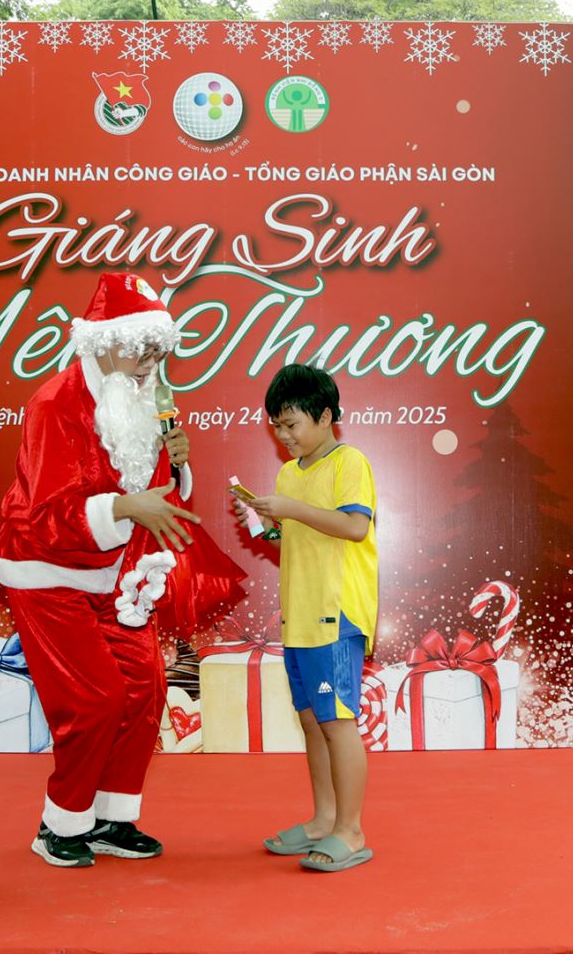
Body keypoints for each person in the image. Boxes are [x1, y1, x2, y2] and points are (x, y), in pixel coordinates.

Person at [0, 271, 239, 868]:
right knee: (97, 699)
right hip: (45, 570)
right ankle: (60, 824)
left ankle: (110, 817)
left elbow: (153, 499)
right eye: (139, 347)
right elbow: (47, 515)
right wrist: (126, 508)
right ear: (103, 341)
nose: (150, 361)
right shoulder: (54, 405)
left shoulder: (143, 399)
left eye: (158, 350)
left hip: (114, 574)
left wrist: (176, 467)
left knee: (146, 688)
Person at [241, 364, 378, 873]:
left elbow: (354, 527)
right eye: (276, 425)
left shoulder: (350, 462)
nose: (283, 435)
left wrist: (291, 509)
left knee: (337, 721)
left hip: (335, 614)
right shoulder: (288, 474)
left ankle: (351, 830)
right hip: (298, 615)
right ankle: (323, 821)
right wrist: (268, 526)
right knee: (311, 721)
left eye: (291, 424)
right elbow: (296, 542)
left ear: (325, 417)